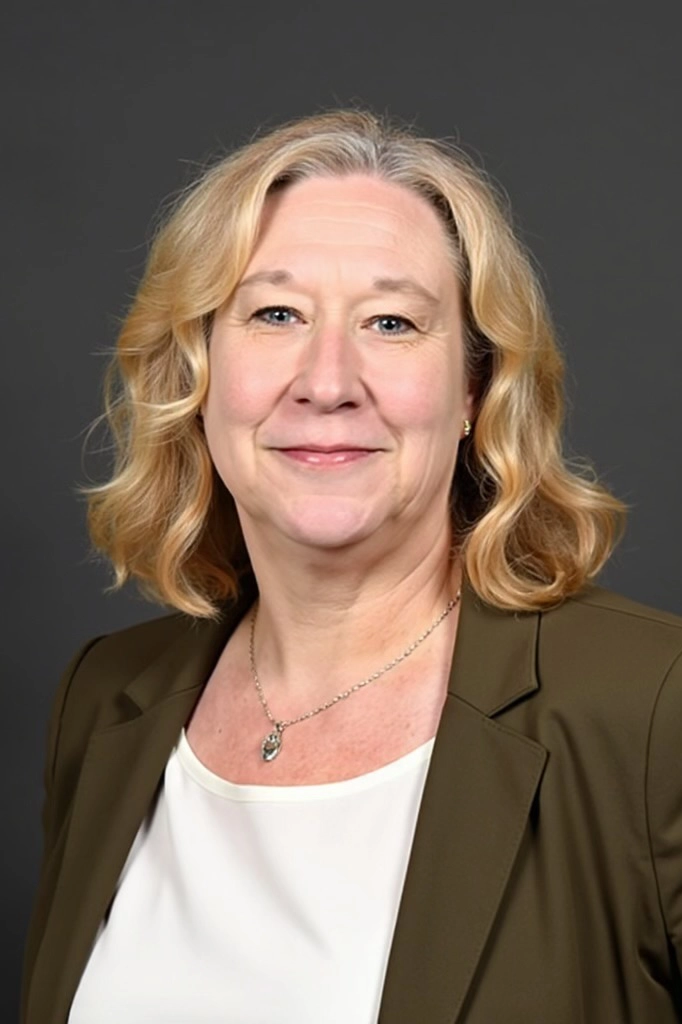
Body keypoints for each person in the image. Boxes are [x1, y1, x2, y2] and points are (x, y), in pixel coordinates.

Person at [21, 108, 682, 1024]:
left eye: (391, 322)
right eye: (275, 314)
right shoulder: (104, 702)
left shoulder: (653, 708)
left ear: (474, 389)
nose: (327, 382)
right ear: (196, 374)